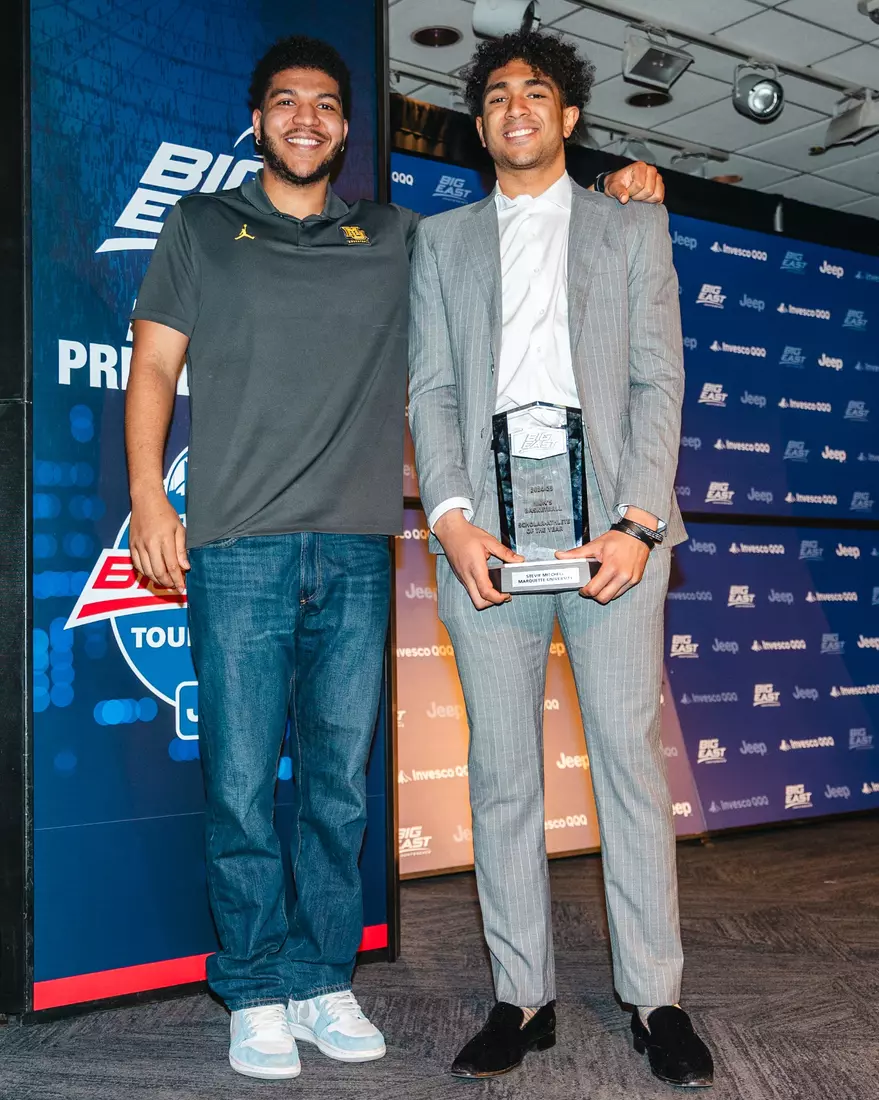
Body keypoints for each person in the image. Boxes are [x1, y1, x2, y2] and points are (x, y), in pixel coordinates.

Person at [125, 32, 666, 1082]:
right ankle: (253, 984)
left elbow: (552, 248)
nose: (307, 119)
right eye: (286, 103)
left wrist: (624, 180)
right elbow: (155, 364)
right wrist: (150, 493)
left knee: (339, 787)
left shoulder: (394, 233)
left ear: (344, 126)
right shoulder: (207, 223)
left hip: (364, 547)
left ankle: (324, 978)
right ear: (258, 119)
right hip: (238, 546)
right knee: (242, 784)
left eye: (326, 105)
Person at [408, 30, 714, 1089]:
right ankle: (521, 995)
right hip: (484, 534)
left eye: (535, 91)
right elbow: (434, 390)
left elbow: (658, 380)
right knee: (500, 775)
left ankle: (656, 996)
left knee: (629, 766)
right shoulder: (439, 244)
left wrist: (637, 521)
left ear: (570, 116)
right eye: (495, 96)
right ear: (480, 124)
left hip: (612, 536)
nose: (515, 107)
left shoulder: (631, 225)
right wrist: (449, 517)